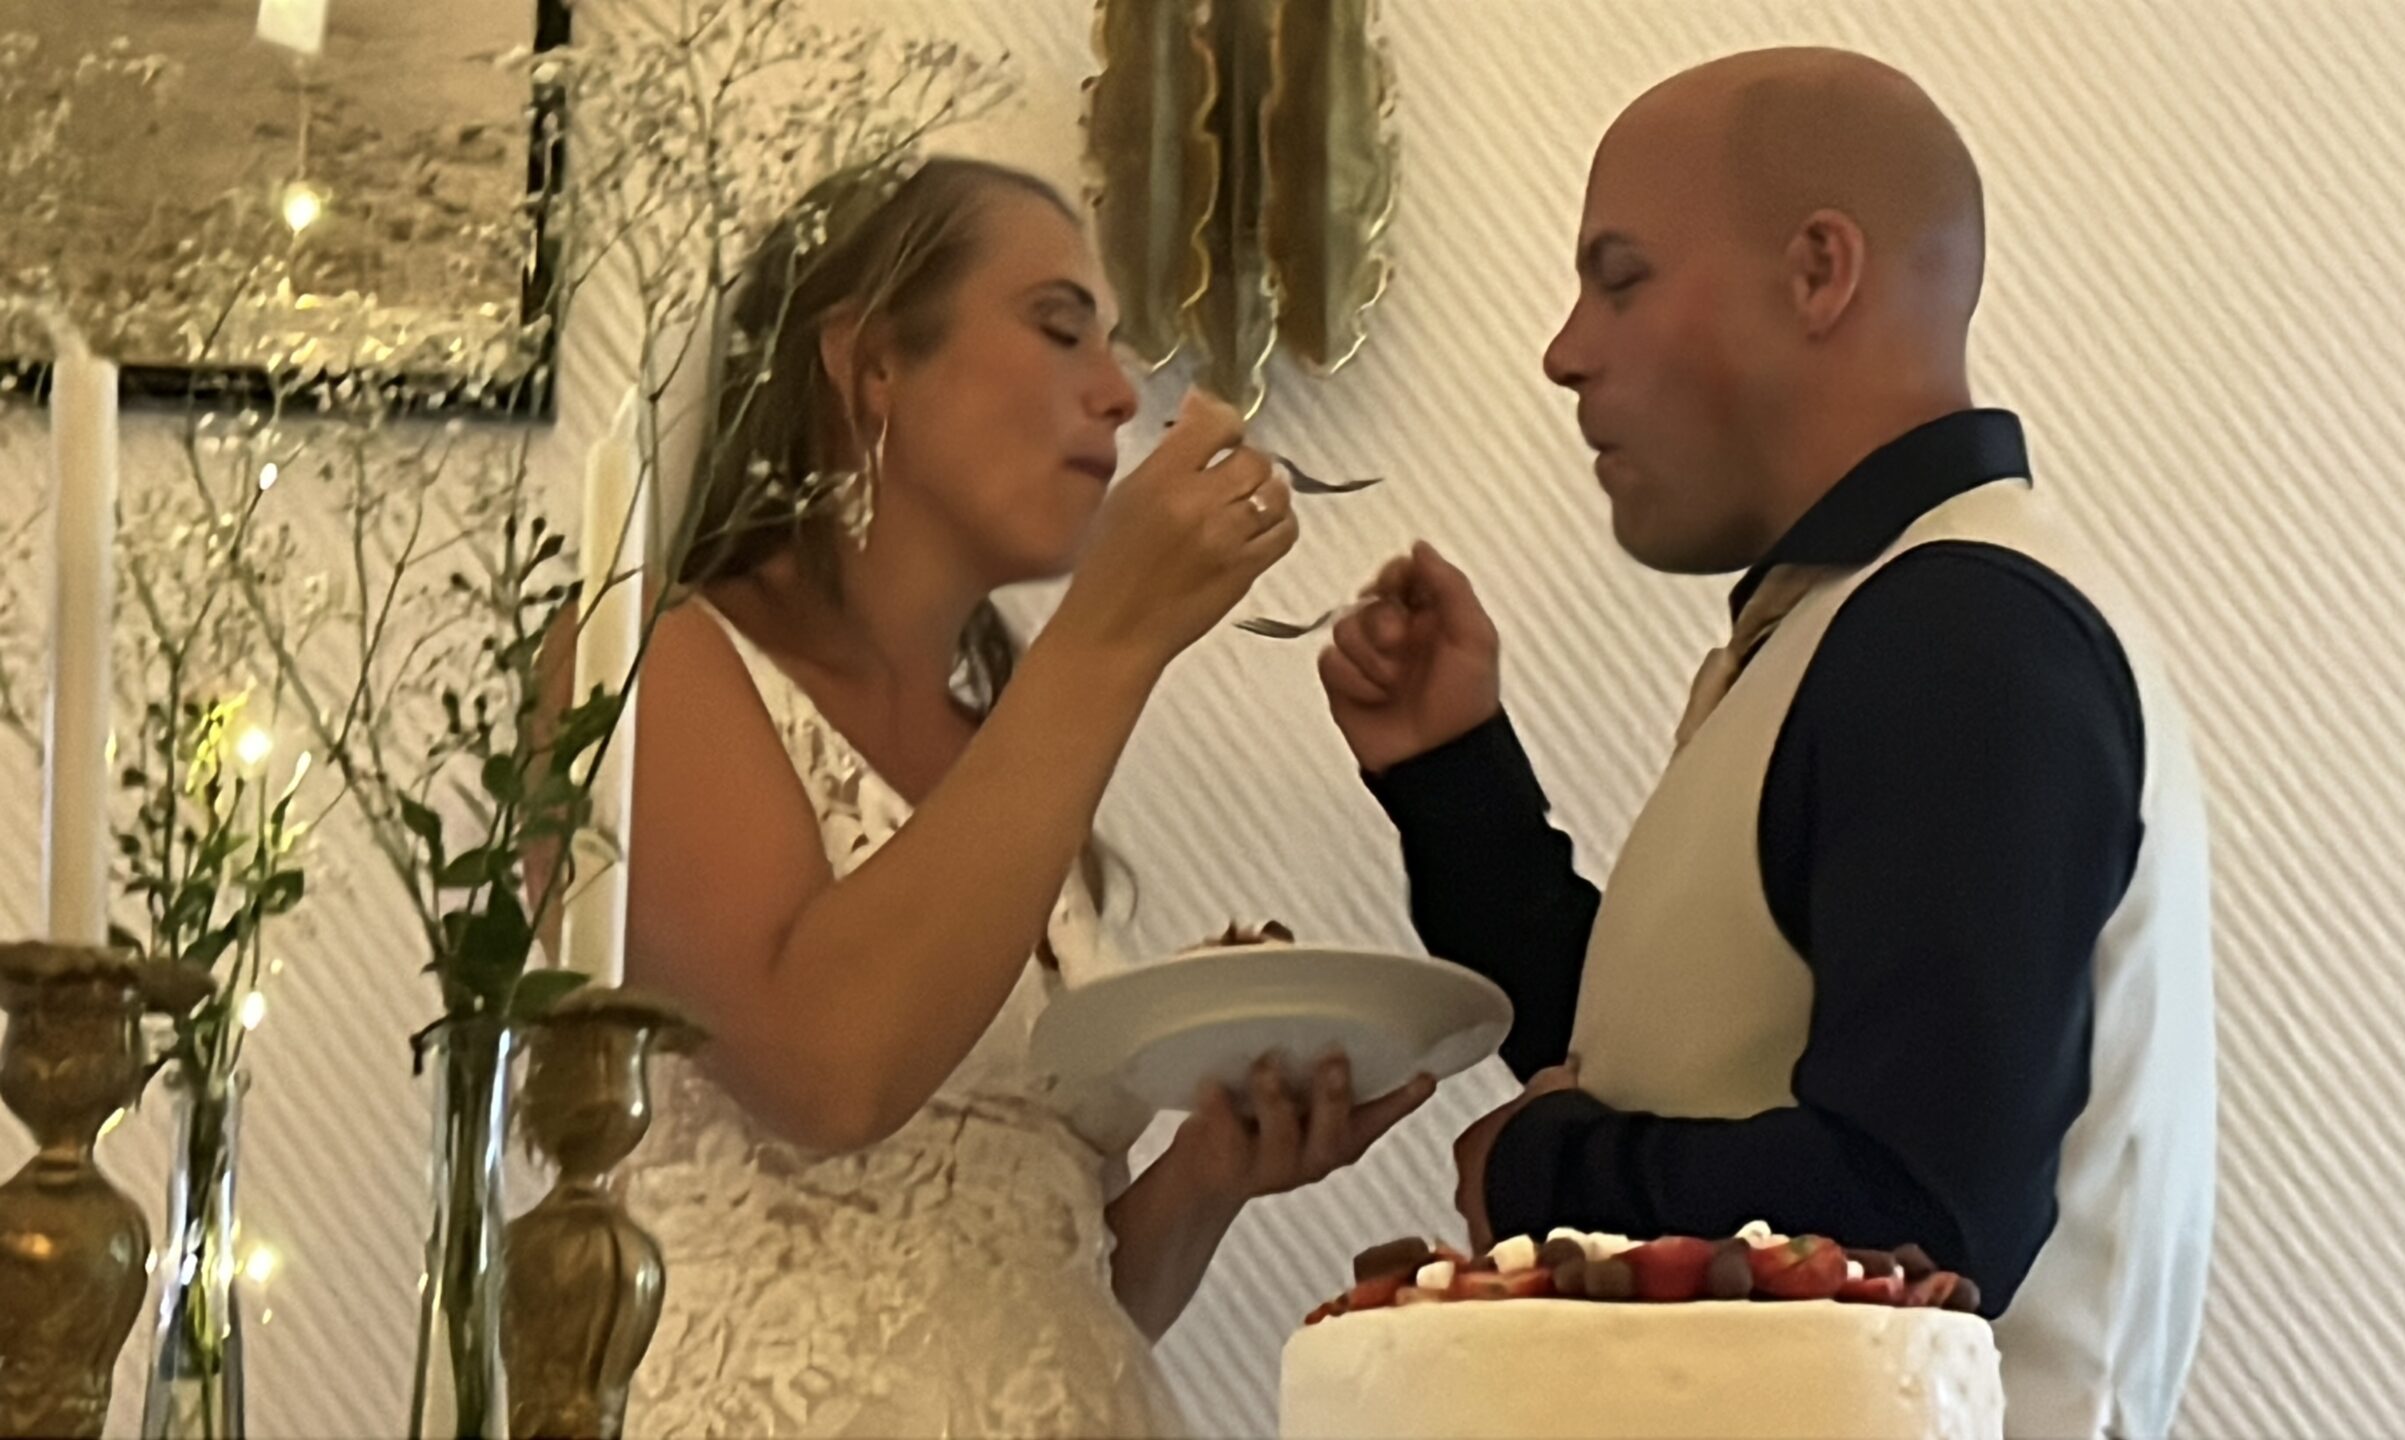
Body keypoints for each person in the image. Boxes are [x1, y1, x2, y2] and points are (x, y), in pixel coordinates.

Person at [1319, 49, 2214, 1439]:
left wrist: (1540, 1173)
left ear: (1817, 273)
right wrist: (1452, 779)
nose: (1565, 350)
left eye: (1619, 279)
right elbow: (1677, 1070)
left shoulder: (1961, 636)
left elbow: (1916, 1215)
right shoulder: (1867, 623)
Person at [555, 157, 1437, 1437]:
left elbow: (1043, 1287)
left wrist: (1207, 1171)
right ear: (870, 365)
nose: (1119, 394)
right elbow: (828, 1071)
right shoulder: (643, 659)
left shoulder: (1001, 747)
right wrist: (1112, 636)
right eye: (1060, 327)